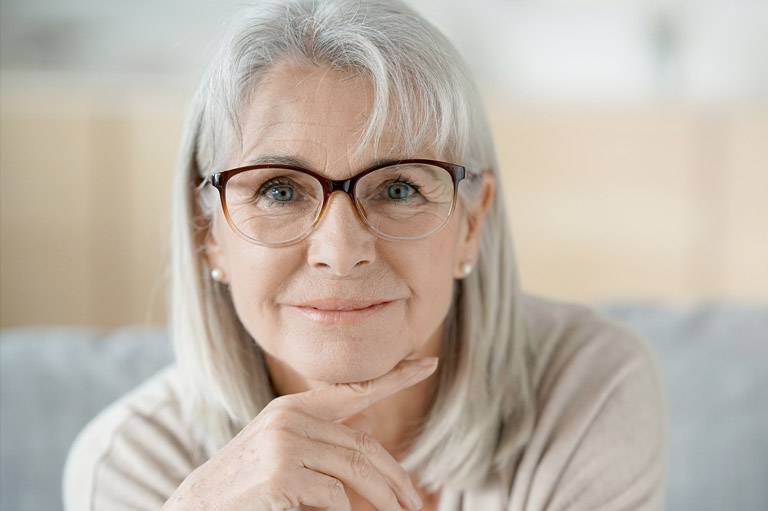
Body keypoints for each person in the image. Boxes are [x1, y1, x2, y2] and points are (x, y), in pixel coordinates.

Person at [63, 0, 667, 509]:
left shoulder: (588, 389)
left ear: (472, 223)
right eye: (279, 190)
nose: (341, 252)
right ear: (209, 233)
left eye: (399, 187)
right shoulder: (130, 467)